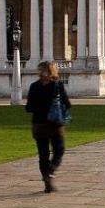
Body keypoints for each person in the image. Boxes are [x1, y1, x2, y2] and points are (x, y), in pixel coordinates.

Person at [25, 61, 70, 193]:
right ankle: (50, 171)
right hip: (55, 124)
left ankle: (46, 181)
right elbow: (67, 103)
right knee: (59, 150)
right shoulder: (57, 85)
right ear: (52, 71)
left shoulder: (34, 86)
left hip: (38, 124)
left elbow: (28, 107)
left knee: (43, 154)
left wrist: (38, 109)